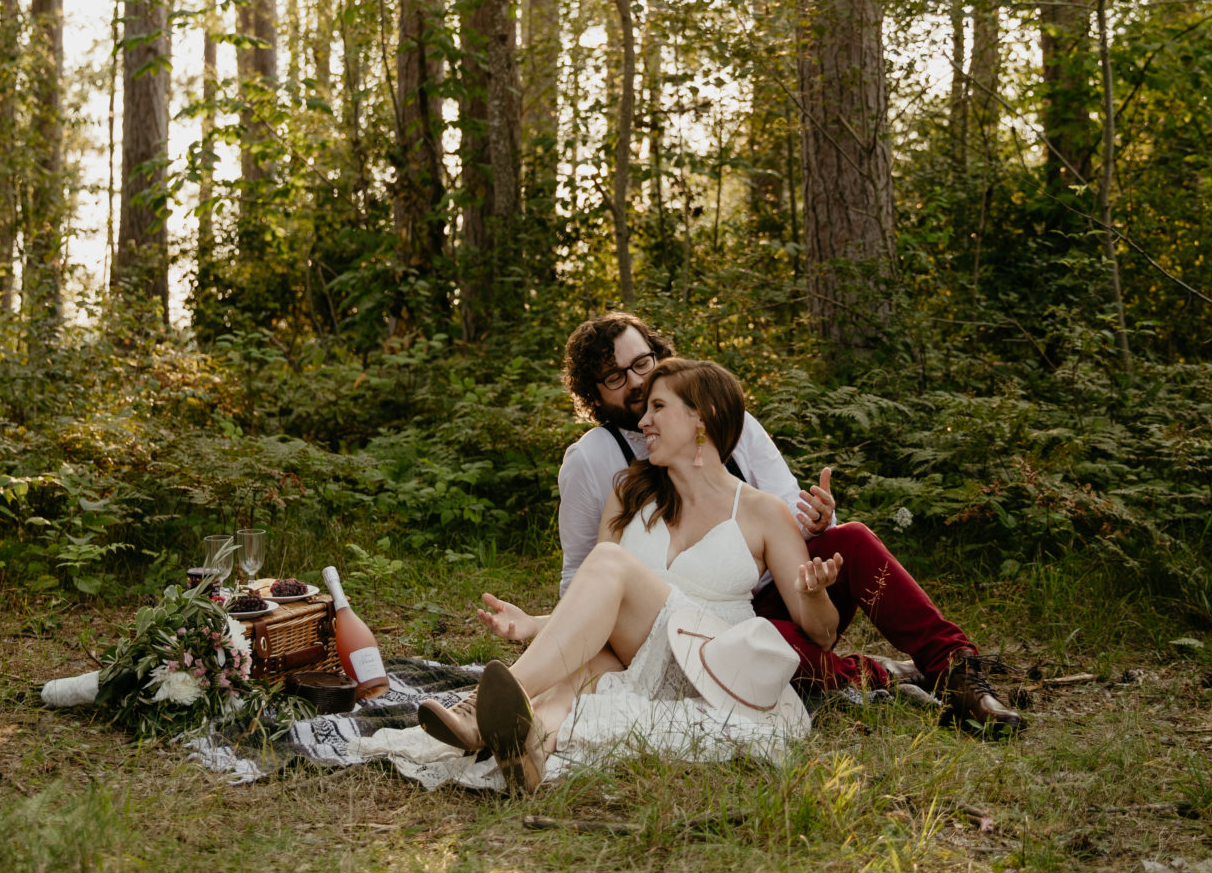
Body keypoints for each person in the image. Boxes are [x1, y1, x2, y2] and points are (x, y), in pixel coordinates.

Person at [553, 311, 1025, 732]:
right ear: (593, 392)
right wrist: (583, 643)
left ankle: (954, 668)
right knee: (760, 638)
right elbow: (581, 570)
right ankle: (874, 674)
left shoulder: (729, 427)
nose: (636, 382)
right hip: (685, 629)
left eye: (642, 363)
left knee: (852, 539)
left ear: (659, 354)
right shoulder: (592, 461)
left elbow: (786, 512)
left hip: (776, 593)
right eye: (615, 376)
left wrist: (818, 523)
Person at [417, 359, 847, 791]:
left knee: (607, 560)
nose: (643, 422)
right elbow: (600, 604)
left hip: (704, 663)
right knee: (573, 674)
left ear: (703, 416)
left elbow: (823, 635)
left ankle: (478, 708)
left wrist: (813, 594)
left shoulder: (764, 511)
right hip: (635, 655)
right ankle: (532, 745)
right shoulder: (629, 492)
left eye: (658, 407)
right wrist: (538, 624)